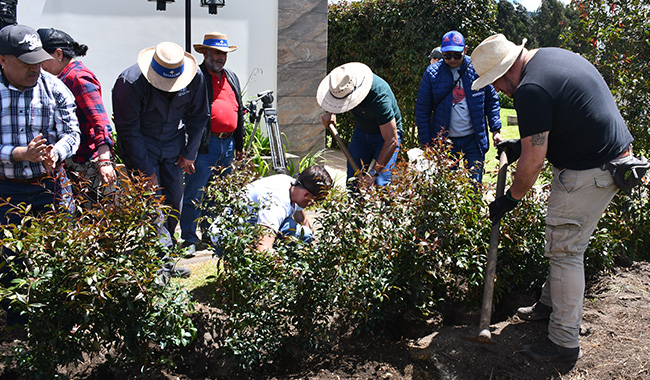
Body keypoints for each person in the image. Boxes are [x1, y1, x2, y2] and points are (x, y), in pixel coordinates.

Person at [471, 34, 634, 362]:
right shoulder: (546, 60)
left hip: (592, 169)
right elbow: (555, 125)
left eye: (497, 83)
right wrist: (519, 145)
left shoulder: (530, 89)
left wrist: (511, 199)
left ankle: (562, 343)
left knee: (565, 251)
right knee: (563, 243)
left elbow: (534, 162)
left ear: (507, 71)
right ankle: (549, 305)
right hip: (608, 159)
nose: (500, 90)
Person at [0, 24, 80, 325]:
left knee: (60, 251)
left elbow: (72, 133)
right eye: (26, 62)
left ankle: (57, 324)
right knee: (11, 259)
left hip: (50, 185)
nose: (35, 68)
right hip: (6, 188)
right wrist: (20, 154)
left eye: (37, 60)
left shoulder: (54, 87)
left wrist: (55, 152)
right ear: (3, 60)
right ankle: (19, 329)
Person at [112, 41, 210, 277]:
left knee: (173, 202)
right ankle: (158, 267)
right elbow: (129, 131)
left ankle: (164, 257)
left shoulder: (195, 76)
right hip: (141, 147)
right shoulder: (129, 83)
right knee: (153, 206)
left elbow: (200, 116)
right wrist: (146, 171)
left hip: (173, 147)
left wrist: (189, 153)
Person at [180, 31, 244, 255]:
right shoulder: (196, 76)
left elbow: (239, 112)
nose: (221, 57)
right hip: (204, 146)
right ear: (205, 52)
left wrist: (240, 145)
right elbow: (186, 112)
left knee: (216, 194)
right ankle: (188, 238)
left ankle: (210, 233)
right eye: (217, 52)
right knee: (194, 193)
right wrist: (188, 147)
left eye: (224, 53)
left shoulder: (231, 77)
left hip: (227, 146)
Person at [37, 28, 116, 207]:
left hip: (86, 164)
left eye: (42, 60)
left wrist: (104, 161)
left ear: (58, 54)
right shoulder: (62, 76)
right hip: (71, 162)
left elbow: (100, 121)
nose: (39, 66)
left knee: (93, 221)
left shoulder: (77, 77)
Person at [415, 30, 503, 183]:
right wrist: (426, 143)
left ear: (465, 50)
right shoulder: (432, 74)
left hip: (473, 139)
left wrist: (495, 129)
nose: (452, 59)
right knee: (447, 189)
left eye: (457, 55)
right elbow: (422, 110)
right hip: (445, 142)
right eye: (447, 56)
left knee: (474, 185)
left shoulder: (477, 68)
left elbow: (491, 100)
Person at [210, 165, 333, 253]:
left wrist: (313, 252)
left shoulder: (292, 184)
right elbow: (263, 248)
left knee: (304, 233)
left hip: (245, 232)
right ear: (306, 195)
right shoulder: (276, 203)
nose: (315, 205)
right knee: (289, 228)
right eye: (317, 200)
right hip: (228, 242)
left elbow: (303, 221)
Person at [317, 62, 401, 187]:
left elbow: (392, 140)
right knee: (353, 180)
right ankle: (354, 205)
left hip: (385, 137)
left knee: (381, 182)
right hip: (362, 132)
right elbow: (335, 95)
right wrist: (331, 111)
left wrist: (373, 174)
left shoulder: (380, 98)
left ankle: (385, 205)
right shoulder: (341, 84)